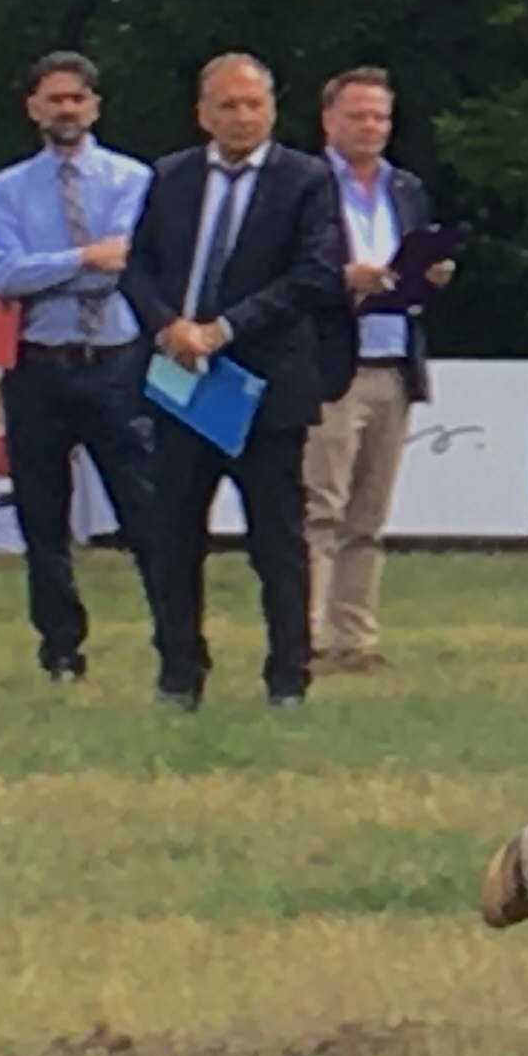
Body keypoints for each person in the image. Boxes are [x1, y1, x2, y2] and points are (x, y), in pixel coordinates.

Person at [124, 54, 354, 712]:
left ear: (273, 110)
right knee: (172, 534)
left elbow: (315, 275)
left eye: (253, 105)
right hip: (183, 378)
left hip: (264, 385)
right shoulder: (171, 177)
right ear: (203, 113)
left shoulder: (305, 179)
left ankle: (287, 678)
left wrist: (222, 329)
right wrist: (169, 326)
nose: (242, 117)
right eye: (228, 106)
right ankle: (178, 672)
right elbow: (137, 266)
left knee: (276, 541)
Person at [0, 52, 166, 685]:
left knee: (146, 509)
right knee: (43, 516)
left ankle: (174, 636)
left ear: (94, 106)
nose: (65, 109)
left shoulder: (132, 179)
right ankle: (60, 649)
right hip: (38, 365)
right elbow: (6, 274)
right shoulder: (7, 190)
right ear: (33, 108)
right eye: (52, 99)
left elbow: (130, 260)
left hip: (115, 360)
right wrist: (84, 255)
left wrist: (52, 266)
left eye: (75, 99)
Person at [299, 67, 454, 677]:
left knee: (369, 514)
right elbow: (289, 269)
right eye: (358, 116)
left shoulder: (405, 188)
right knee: (320, 508)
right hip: (332, 361)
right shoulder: (306, 185)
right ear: (329, 119)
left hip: (393, 357)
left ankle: (354, 640)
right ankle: (304, 636)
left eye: (380, 118)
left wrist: (430, 274)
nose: (371, 128)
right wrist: (342, 280)